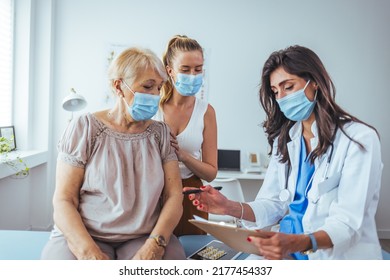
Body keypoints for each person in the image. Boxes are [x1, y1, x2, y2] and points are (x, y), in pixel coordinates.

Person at [185, 45, 383, 260]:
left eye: (288, 86)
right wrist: (229, 207)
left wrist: (300, 242)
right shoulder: (287, 140)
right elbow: (274, 203)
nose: (282, 98)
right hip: (287, 249)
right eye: (276, 92)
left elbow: (348, 222)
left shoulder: (358, 139)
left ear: (314, 82)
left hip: (331, 256)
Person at [41, 47, 186, 260]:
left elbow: (174, 196)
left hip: (144, 235)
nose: (155, 95)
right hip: (85, 233)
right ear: (119, 86)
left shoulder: (161, 134)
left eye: (159, 87)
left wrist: (155, 244)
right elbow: (64, 199)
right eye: (147, 86)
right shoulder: (85, 128)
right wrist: (89, 253)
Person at [154, 35, 218, 236]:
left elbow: (210, 173)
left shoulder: (206, 112)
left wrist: (182, 156)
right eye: (185, 69)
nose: (193, 75)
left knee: (192, 257)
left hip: (191, 197)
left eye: (198, 69)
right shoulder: (152, 107)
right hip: (154, 194)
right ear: (170, 71)